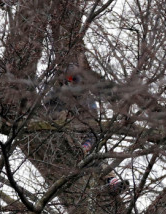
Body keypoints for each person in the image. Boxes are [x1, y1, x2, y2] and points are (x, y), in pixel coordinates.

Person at [44, 63, 126, 194]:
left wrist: (88, 144)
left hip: (83, 137)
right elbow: (45, 110)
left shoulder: (87, 100)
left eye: (75, 80)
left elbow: (94, 126)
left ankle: (111, 182)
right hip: (62, 131)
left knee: (96, 156)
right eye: (69, 80)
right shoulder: (55, 95)